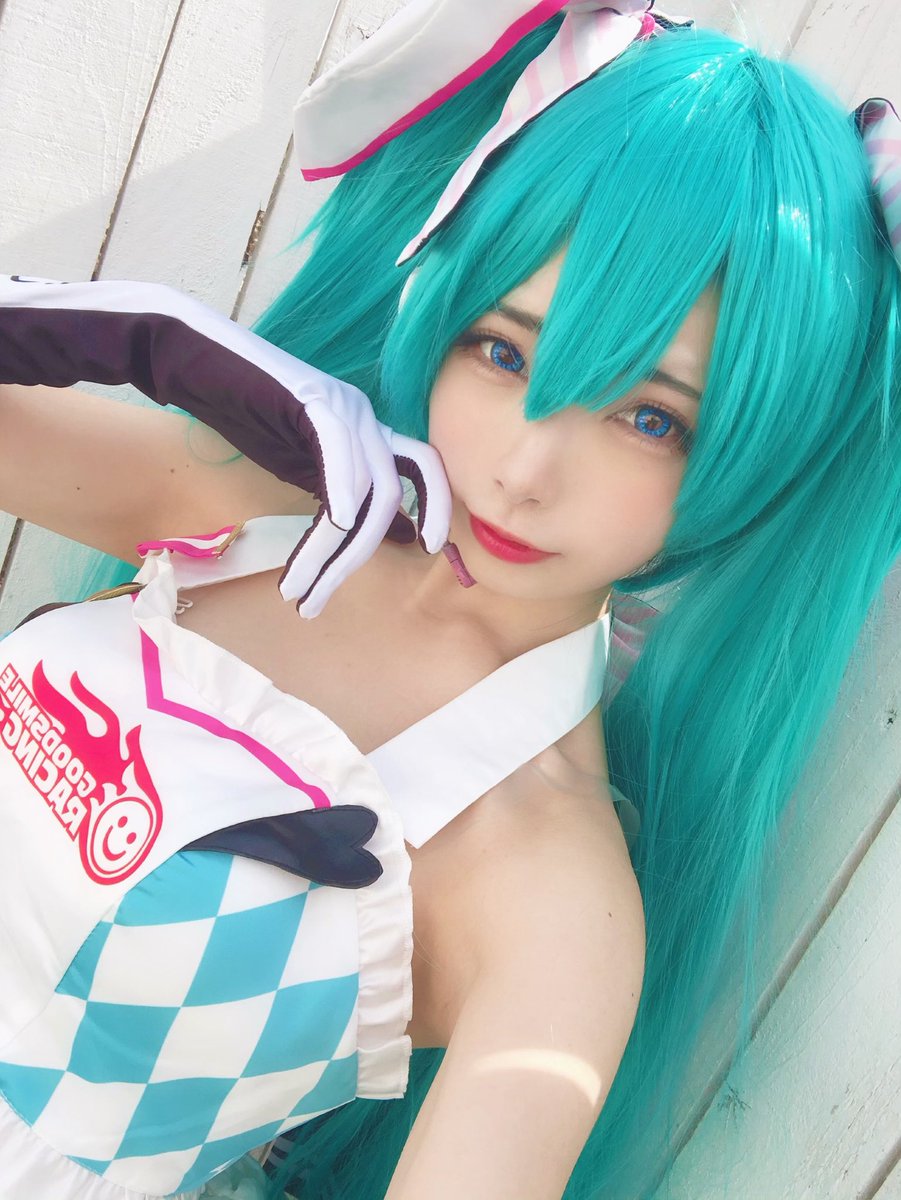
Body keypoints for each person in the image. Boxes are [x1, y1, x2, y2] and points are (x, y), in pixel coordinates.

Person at [0, 3, 899, 1200]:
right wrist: (138, 343)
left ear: (750, 455)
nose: (523, 470)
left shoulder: (548, 893)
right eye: (505, 352)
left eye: (649, 419)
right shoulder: (255, 514)